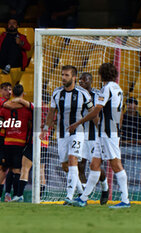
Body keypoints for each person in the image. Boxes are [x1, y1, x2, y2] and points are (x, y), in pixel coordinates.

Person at [69, 63, 130, 208]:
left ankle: (125, 200)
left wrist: (77, 123)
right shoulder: (118, 88)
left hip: (108, 132)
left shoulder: (106, 88)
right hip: (107, 131)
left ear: (101, 74)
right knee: (94, 164)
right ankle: (83, 199)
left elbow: (95, 112)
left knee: (116, 164)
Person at [40, 65, 94, 205]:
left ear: (74, 77)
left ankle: (69, 197)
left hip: (78, 132)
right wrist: (46, 129)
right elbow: (52, 112)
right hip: (62, 134)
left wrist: (99, 129)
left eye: (67, 75)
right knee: (66, 166)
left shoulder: (83, 94)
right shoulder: (57, 93)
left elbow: (93, 112)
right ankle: (82, 194)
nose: (63, 78)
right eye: (62, 75)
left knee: (72, 160)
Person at [0, 84, 32, 201]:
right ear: (23, 94)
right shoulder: (27, 109)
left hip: (7, 141)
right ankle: (17, 195)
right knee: (17, 170)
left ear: (12, 94)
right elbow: (31, 124)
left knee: (7, 169)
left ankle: (5, 194)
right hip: (20, 142)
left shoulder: (5, 107)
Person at [78, 72, 109, 205]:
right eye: (80, 80)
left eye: (84, 80)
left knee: (95, 166)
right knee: (80, 165)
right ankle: (84, 195)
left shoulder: (98, 95)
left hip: (95, 135)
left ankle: (104, 187)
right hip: (80, 134)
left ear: (90, 81)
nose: (81, 82)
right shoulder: (77, 94)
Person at [0, 18, 31, 86]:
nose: (11, 25)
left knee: (14, 46)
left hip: (15, 62)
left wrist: (21, 43)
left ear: (17, 26)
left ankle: (9, 65)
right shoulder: (3, 36)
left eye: (13, 23)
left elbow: (28, 47)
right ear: (7, 25)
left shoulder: (21, 37)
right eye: (10, 23)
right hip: (3, 61)